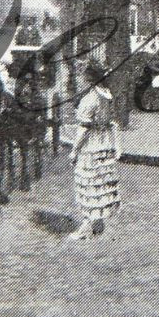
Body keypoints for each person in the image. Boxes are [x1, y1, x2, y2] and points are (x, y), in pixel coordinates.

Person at [68, 62, 122, 241]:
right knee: (100, 181)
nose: (81, 81)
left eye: (84, 78)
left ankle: (86, 226)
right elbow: (113, 123)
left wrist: (74, 151)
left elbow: (83, 129)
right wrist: (117, 145)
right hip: (105, 143)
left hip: (91, 145)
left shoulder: (90, 99)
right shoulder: (107, 95)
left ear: (89, 80)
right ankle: (97, 222)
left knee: (88, 182)